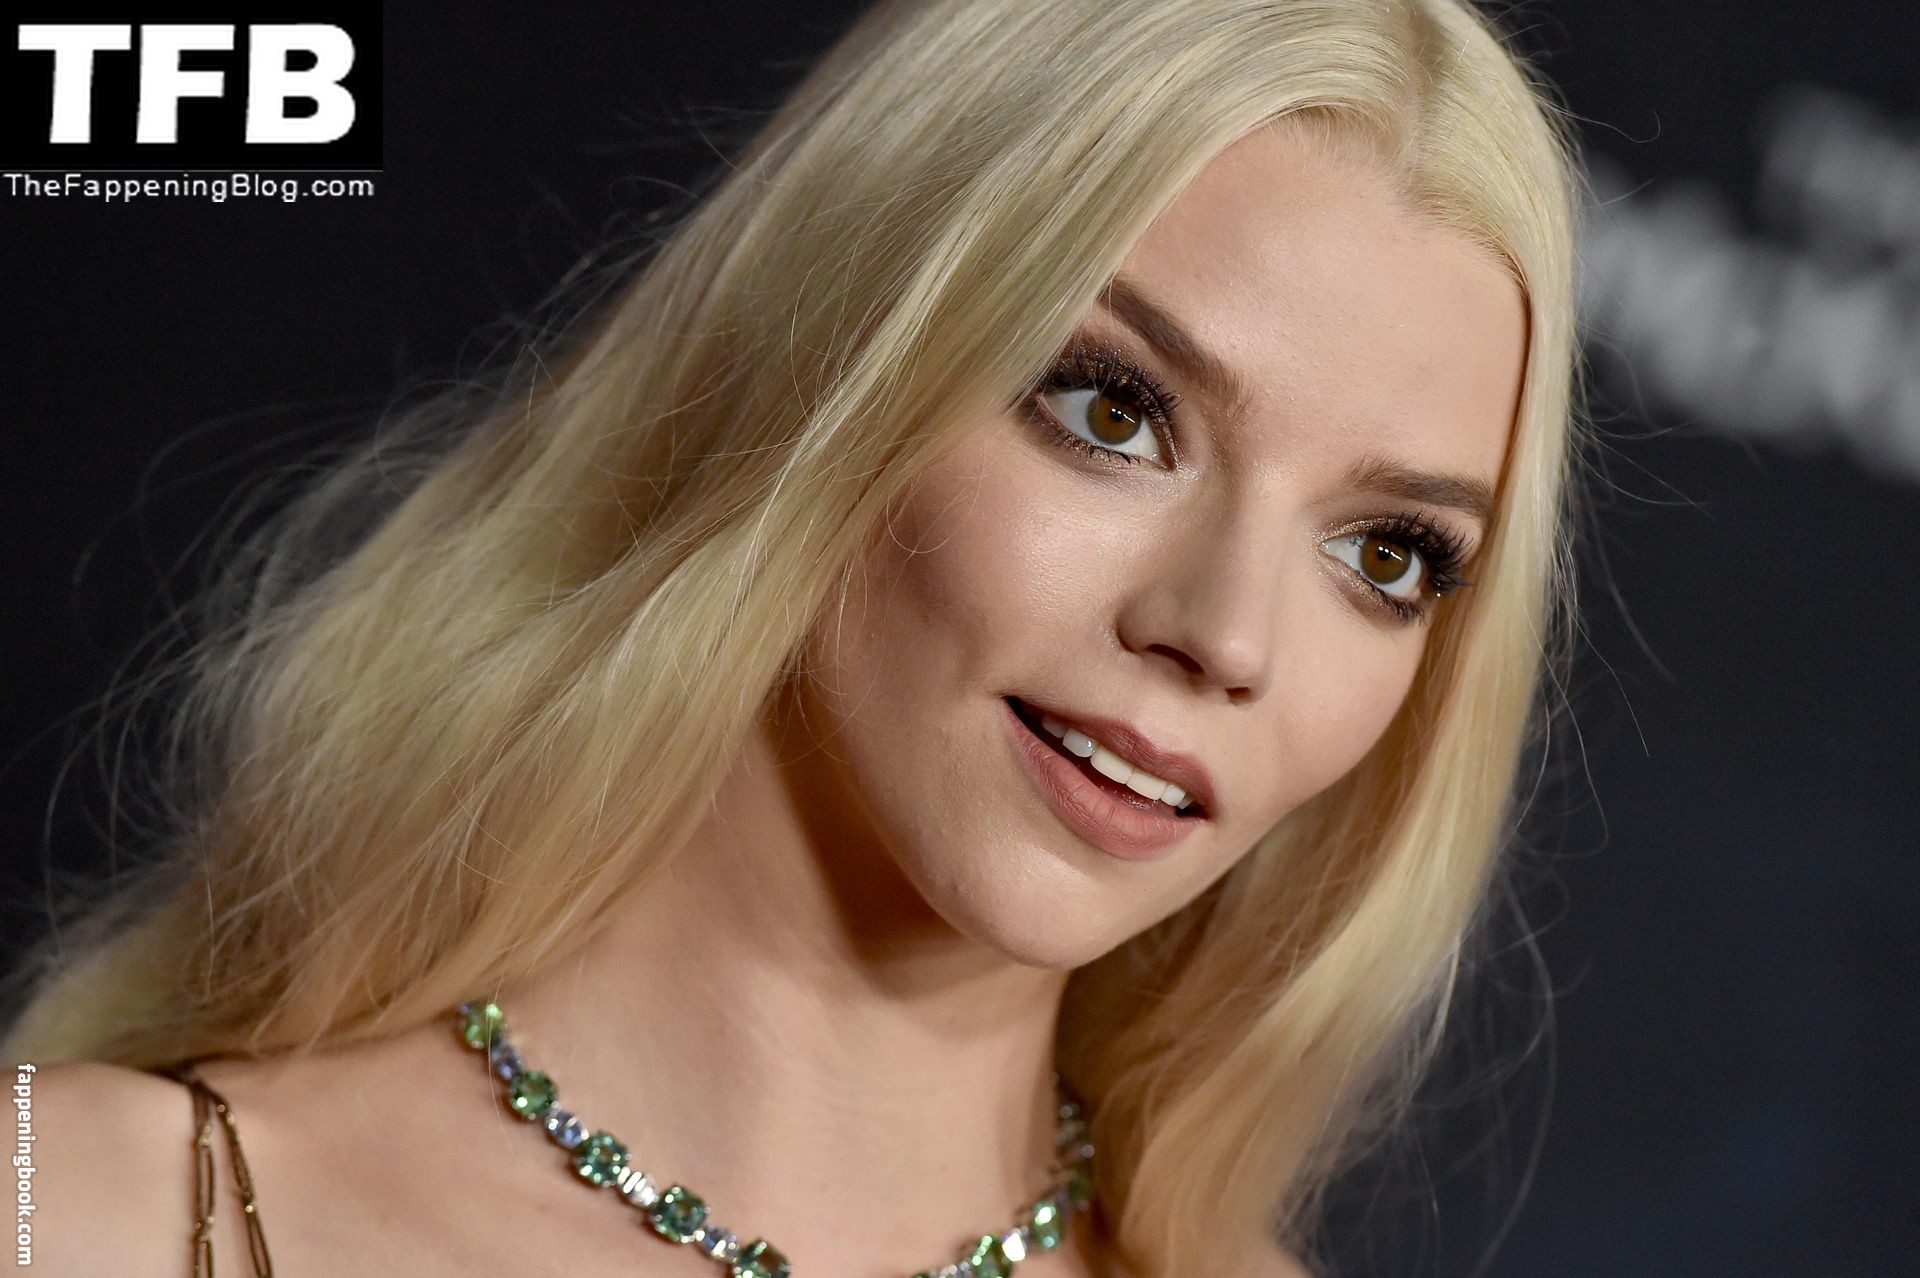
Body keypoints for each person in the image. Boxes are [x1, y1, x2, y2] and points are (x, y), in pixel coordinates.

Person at [1, 0, 1586, 1274]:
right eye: (1114, 410)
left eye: (1387, 554)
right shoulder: (69, 1212)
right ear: (837, 357)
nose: (1226, 634)